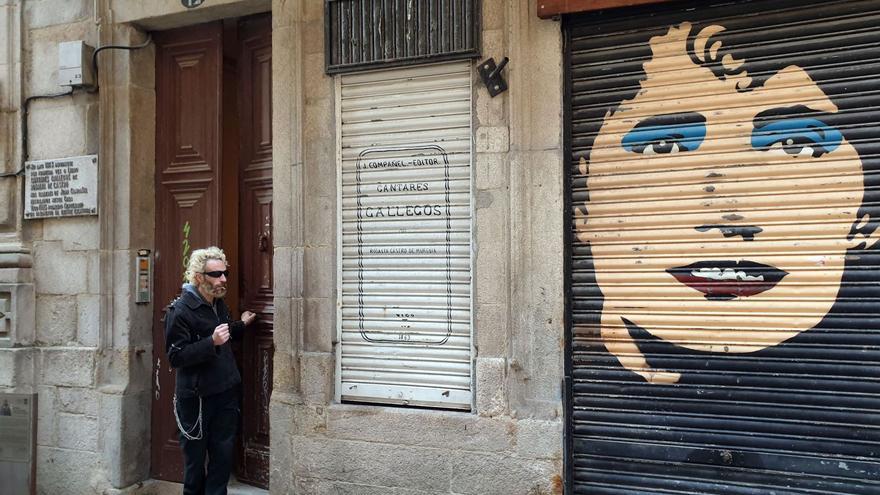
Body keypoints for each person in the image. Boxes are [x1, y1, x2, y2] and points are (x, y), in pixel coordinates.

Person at [165, 246, 256, 495]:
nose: (223, 279)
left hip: (225, 392)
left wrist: (241, 325)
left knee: (222, 459)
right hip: (197, 398)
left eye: (224, 273)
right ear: (198, 277)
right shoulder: (180, 311)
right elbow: (176, 356)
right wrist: (210, 343)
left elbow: (224, 331)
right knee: (195, 465)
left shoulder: (218, 304)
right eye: (216, 275)